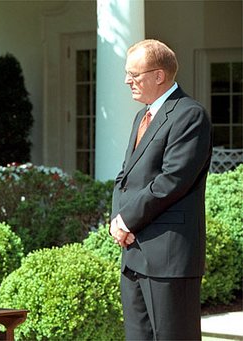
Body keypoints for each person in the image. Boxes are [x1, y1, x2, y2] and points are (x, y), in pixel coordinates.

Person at [110, 39, 212, 340]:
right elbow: (124, 176)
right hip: (133, 254)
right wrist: (118, 221)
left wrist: (128, 220)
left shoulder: (189, 115)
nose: (128, 81)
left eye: (135, 74)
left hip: (169, 258)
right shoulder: (142, 117)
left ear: (159, 75)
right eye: (127, 73)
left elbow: (172, 180)